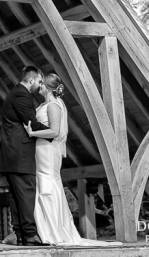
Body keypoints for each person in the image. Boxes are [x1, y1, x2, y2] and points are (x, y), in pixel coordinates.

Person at [25, 74, 122, 246]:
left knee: (47, 184)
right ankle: (44, 226)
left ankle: (52, 229)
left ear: (48, 87)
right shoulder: (43, 104)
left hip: (48, 149)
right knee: (42, 183)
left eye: (42, 83)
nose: (39, 85)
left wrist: (32, 133)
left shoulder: (54, 106)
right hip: (40, 149)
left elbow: (54, 132)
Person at [0, 66, 50, 247]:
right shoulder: (21, 94)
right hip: (19, 154)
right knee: (26, 193)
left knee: (17, 196)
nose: (40, 85)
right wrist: (53, 133)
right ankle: (30, 235)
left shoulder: (15, 93)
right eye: (40, 81)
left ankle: (21, 234)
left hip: (12, 154)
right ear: (32, 80)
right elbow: (31, 123)